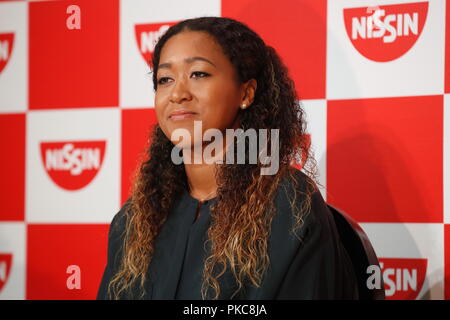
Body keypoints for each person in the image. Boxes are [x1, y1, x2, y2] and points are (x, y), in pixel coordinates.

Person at [97, 16, 359, 300]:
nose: (177, 93)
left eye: (198, 74)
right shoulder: (137, 216)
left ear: (246, 93)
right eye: (165, 79)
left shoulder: (288, 205)